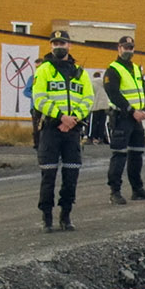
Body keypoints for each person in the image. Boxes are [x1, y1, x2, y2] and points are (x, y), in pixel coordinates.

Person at [31, 32, 94, 232]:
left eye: (63, 43)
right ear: (51, 46)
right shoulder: (44, 70)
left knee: (71, 174)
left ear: (70, 46)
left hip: (73, 130)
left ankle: (66, 215)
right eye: (56, 43)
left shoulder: (80, 72)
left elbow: (88, 99)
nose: (60, 46)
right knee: (48, 174)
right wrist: (61, 117)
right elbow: (39, 99)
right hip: (51, 129)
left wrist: (73, 118)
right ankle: (47, 217)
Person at [104, 36, 145, 205]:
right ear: (118, 48)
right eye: (125, 47)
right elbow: (113, 93)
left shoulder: (135, 68)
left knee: (136, 153)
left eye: (131, 47)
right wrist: (131, 110)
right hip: (122, 117)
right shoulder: (113, 69)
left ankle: (137, 189)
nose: (128, 50)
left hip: (137, 118)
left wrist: (144, 107)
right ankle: (115, 192)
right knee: (119, 155)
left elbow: (143, 90)